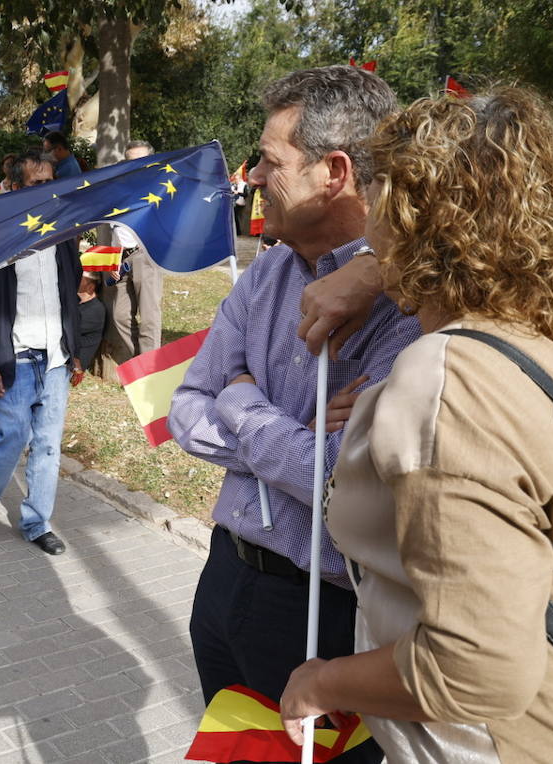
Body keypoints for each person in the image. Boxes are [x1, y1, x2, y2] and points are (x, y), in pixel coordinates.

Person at [281, 90, 553, 761]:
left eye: (379, 194)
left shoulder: (448, 379)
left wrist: (320, 683)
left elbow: (473, 668)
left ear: (412, 216)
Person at [166, 65, 416, 752]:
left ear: (333, 172)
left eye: (269, 161)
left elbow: (346, 482)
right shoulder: (269, 271)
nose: (249, 177)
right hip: (222, 581)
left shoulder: (410, 303)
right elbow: (185, 408)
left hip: (324, 617)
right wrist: (293, 438)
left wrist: (246, 406)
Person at [0, 150, 82, 555]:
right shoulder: (0, 240)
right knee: (12, 438)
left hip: (56, 361)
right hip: (15, 361)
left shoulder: (63, 235)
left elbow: (70, 297)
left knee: (48, 445)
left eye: (50, 182)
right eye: (36, 184)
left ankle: (36, 522)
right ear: (15, 187)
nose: (46, 190)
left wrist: (74, 349)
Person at [96, 139, 164, 372]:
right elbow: (112, 226)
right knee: (118, 316)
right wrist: (111, 255)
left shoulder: (161, 185)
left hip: (146, 255)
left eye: (141, 159)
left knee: (149, 317)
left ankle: (150, 373)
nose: (136, 164)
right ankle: (138, 365)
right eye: (130, 160)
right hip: (120, 257)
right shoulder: (119, 189)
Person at [75, 271, 106, 374]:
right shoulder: (78, 302)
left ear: (90, 287)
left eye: (80, 279)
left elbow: (68, 330)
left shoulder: (96, 310)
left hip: (72, 365)